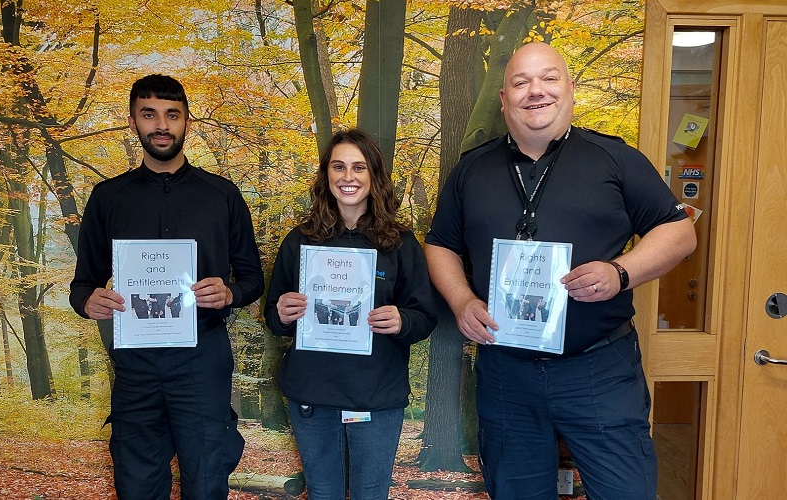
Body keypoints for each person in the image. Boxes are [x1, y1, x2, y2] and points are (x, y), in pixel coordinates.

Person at [424, 42, 696, 500]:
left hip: (599, 368)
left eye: (549, 78)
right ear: (504, 98)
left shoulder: (615, 159)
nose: (536, 91)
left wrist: (620, 272)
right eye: (520, 82)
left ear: (570, 88)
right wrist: (462, 300)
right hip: (506, 371)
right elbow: (440, 245)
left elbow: (680, 232)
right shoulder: (471, 169)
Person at [69, 74, 264, 500]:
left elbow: (253, 278)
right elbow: (82, 283)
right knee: (137, 484)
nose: (162, 125)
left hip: (203, 359)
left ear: (186, 122)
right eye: (149, 114)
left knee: (208, 479)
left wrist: (230, 293)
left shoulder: (223, 195)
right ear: (133, 121)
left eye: (172, 115)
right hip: (135, 365)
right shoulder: (108, 197)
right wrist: (88, 300)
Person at [264, 129, 437, 499]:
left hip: (376, 396)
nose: (348, 177)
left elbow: (424, 316)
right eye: (338, 167)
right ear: (326, 175)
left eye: (359, 167)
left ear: (373, 176)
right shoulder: (300, 241)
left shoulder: (400, 243)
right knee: (323, 492)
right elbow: (274, 316)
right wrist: (282, 312)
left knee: (370, 494)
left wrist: (401, 321)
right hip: (313, 394)